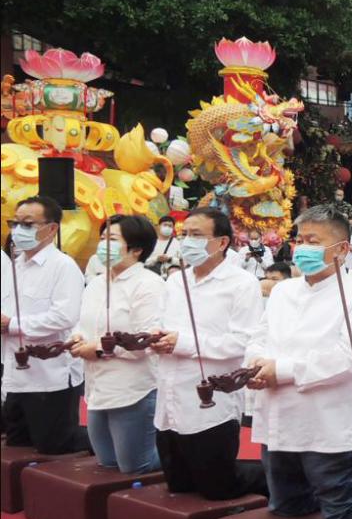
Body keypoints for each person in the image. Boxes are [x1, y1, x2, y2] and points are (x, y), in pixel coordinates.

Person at [245, 205, 352, 519]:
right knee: (287, 508)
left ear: (342, 249)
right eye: (299, 239)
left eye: (312, 241)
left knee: (344, 513)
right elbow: (258, 336)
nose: (301, 248)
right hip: (278, 416)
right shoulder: (283, 291)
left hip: (326, 421)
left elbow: (349, 358)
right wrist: (255, 364)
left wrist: (283, 370)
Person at [149, 207, 267, 500]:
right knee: (178, 486)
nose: (188, 241)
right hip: (170, 397)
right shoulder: (176, 281)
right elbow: (164, 325)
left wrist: (183, 343)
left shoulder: (241, 284)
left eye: (197, 235)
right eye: (185, 234)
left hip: (211, 401)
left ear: (222, 242)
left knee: (218, 486)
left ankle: (276, 476)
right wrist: (155, 339)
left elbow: (241, 342)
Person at [68, 215, 164, 473]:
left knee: (135, 464)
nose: (102, 245)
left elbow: (145, 339)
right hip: (98, 387)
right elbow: (83, 321)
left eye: (111, 240)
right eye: (101, 239)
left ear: (136, 249)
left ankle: (182, 461)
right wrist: (78, 337)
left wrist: (98, 348)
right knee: (106, 462)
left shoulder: (149, 285)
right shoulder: (97, 283)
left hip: (132, 389)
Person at [1, 196, 88, 454]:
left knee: (54, 444)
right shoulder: (13, 266)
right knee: (17, 444)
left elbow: (64, 317)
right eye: (14, 223)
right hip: (16, 374)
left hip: (51, 374)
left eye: (27, 224)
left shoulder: (63, 266)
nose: (18, 230)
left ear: (51, 229)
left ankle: (106, 443)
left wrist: (13, 324)